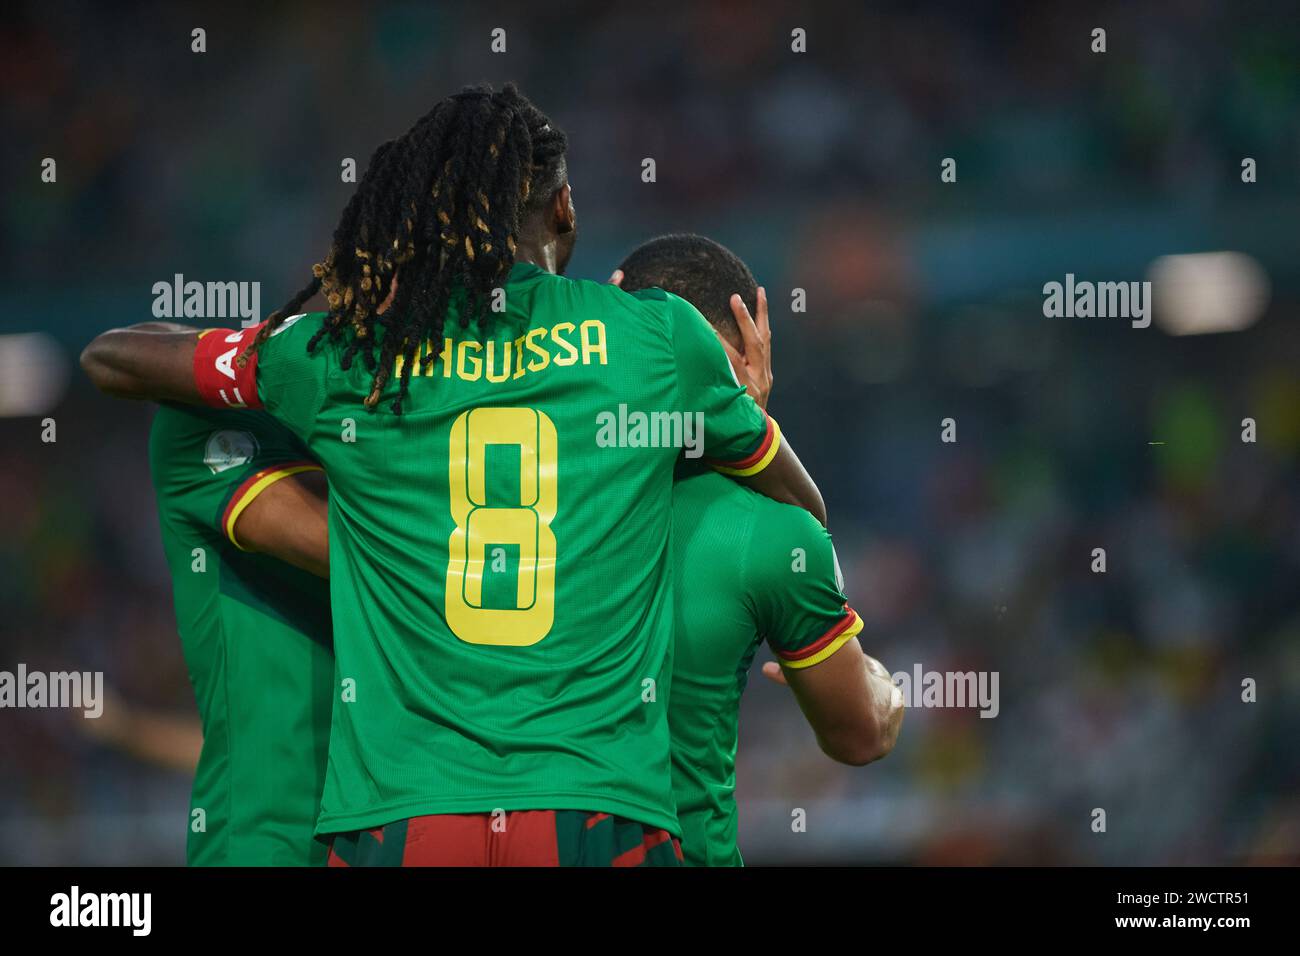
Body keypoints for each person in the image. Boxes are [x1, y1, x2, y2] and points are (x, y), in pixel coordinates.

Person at [81, 83, 825, 866]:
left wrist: (292, 342)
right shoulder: (655, 338)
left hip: (402, 816)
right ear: (565, 208)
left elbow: (111, 356)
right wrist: (752, 420)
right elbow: (805, 516)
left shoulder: (349, 359)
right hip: (597, 810)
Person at [615, 234, 904, 866]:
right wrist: (884, 680)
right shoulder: (773, 536)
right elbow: (862, 734)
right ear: (750, 350)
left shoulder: (531, 500)